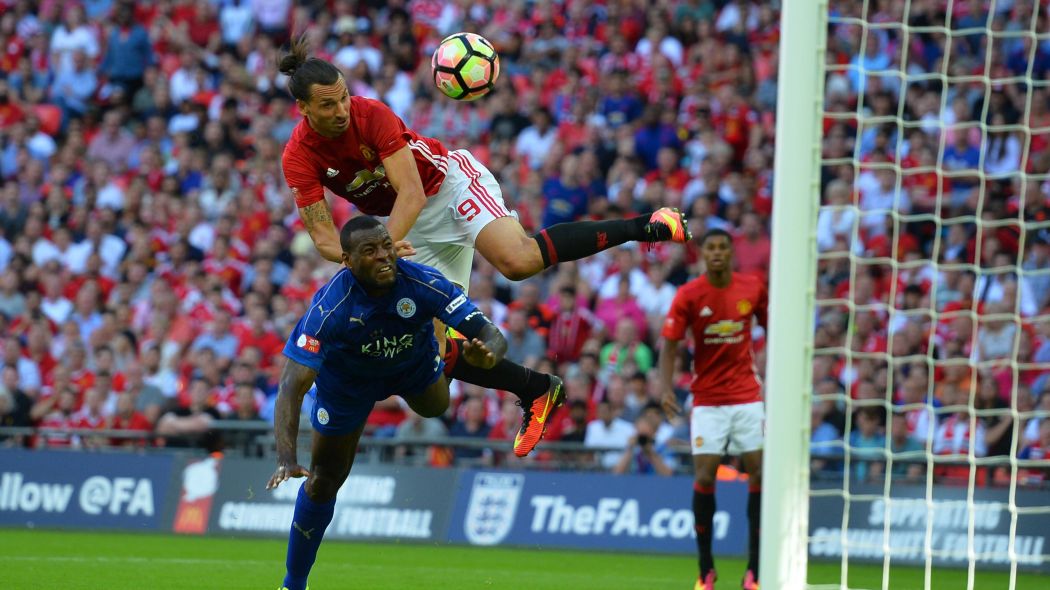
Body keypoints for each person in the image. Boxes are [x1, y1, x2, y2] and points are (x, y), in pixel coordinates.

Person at [276, 37, 687, 452]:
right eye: (328, 105)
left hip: (447, 188)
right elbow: (324, 236)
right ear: (304, 109)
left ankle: (646, 225)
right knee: (429, 361)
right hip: (406, 231)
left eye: (344, 97)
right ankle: (537, 389)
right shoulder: (298, 155)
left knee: (518, 261)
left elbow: (413, 193)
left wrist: (383, 246)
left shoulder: (371, 114)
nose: (342, 109)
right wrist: (355, 258)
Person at [266, 216, 523, 590]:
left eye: (386, 245)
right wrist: (287, 458)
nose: (385, 255)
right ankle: (293, 583)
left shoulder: (422, 281)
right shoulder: (329, 308)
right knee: (324, 482)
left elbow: (491, 335)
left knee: (437, 407)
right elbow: (291, 385)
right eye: (370, 251)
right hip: (347, 384)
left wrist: (489, 355)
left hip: (410, 366)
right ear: (348, 261)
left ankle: (437, 352)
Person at [660, 228, 768, 590]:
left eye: (723, 247)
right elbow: (670, 344)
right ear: (702, 254)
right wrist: (664, 387)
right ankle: (706, 568)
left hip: (747, 396)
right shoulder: (689, 294)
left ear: (731, 252)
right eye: (711, 248)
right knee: (704, 477)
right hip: (707, 399)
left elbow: (776, 327)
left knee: (759, 474)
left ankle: (755, 569)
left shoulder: (752, 287)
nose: (718, 253)